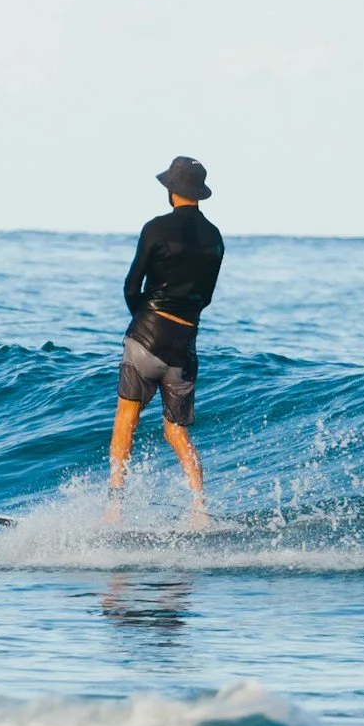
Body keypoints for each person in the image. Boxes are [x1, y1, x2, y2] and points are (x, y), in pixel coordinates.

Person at [108, 156, 225, 527]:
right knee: (176, 430)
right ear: (199, 193)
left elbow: (131, 286)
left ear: (172, 191)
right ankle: (199, 508)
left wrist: (143, 319)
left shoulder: (155, 228)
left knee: (127, 416)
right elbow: (204, 298)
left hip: (147, 332)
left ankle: (114, 507)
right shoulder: (215, 238)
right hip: (184, 342)